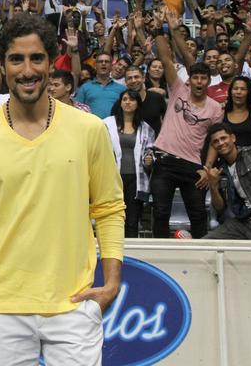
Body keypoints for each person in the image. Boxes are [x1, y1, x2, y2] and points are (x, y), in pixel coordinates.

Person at [0, 14, 125, 364]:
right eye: (16, 59)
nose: (27, 70)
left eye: (36, 58)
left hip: (74, 304)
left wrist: (112, 282)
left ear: (52, 62)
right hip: (1, 307)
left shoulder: (88, 130)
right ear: (1, 64)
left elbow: (108, 207)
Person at [150, 27, 223, 239]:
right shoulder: (178, 90)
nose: (199, 82)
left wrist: (207, 168)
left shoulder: (215, 108)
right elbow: (165, 58)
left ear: (209, 82)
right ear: (189, 80)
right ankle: (161, 257)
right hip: (165, 160)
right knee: (161, 212)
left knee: (199, 214)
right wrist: (160, 30)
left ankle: (200, 256)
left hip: (193, 166)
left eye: (203, 78)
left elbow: (214, 141)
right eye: (195, 78)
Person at [103, 90, 156, 238]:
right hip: (113, 178)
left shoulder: (145, 128)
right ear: (120, 103)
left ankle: (130, 256)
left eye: (132, 100)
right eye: (124, 99)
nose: (127, 102)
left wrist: (149, 158)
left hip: (136, 178)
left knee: (132, 221)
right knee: (113, 219)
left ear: (138, 104)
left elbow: (150, 150)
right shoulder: (106, 124)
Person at [74, 52, 126, 118]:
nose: (103, 63)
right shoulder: (85, 87)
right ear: (95, 66)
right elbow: (76, 110)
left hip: (114, 127)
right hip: (92, 127)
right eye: (100, 61)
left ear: (111, 66)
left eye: (107, 62)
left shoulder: (122, 89)